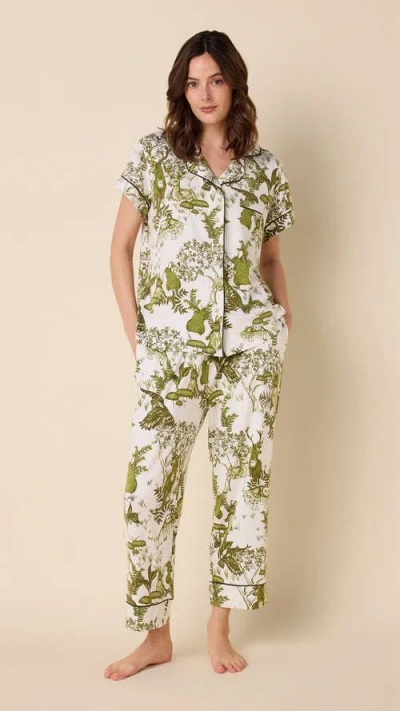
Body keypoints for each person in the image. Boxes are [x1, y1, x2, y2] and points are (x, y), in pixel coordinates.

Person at [104, 29, 295, 679]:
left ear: (234, 83)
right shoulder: (155, 155)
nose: (204, 93)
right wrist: (137, 333)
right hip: (172, 351)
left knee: (242, 487)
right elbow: (119, 249)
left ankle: (219, 626)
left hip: (249, 351)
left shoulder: (264, 169)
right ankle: (155, 634)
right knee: (148, 488)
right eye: (193, 82)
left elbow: (271, 260)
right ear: (180, 90)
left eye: (215, 80)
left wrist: (283, 323)